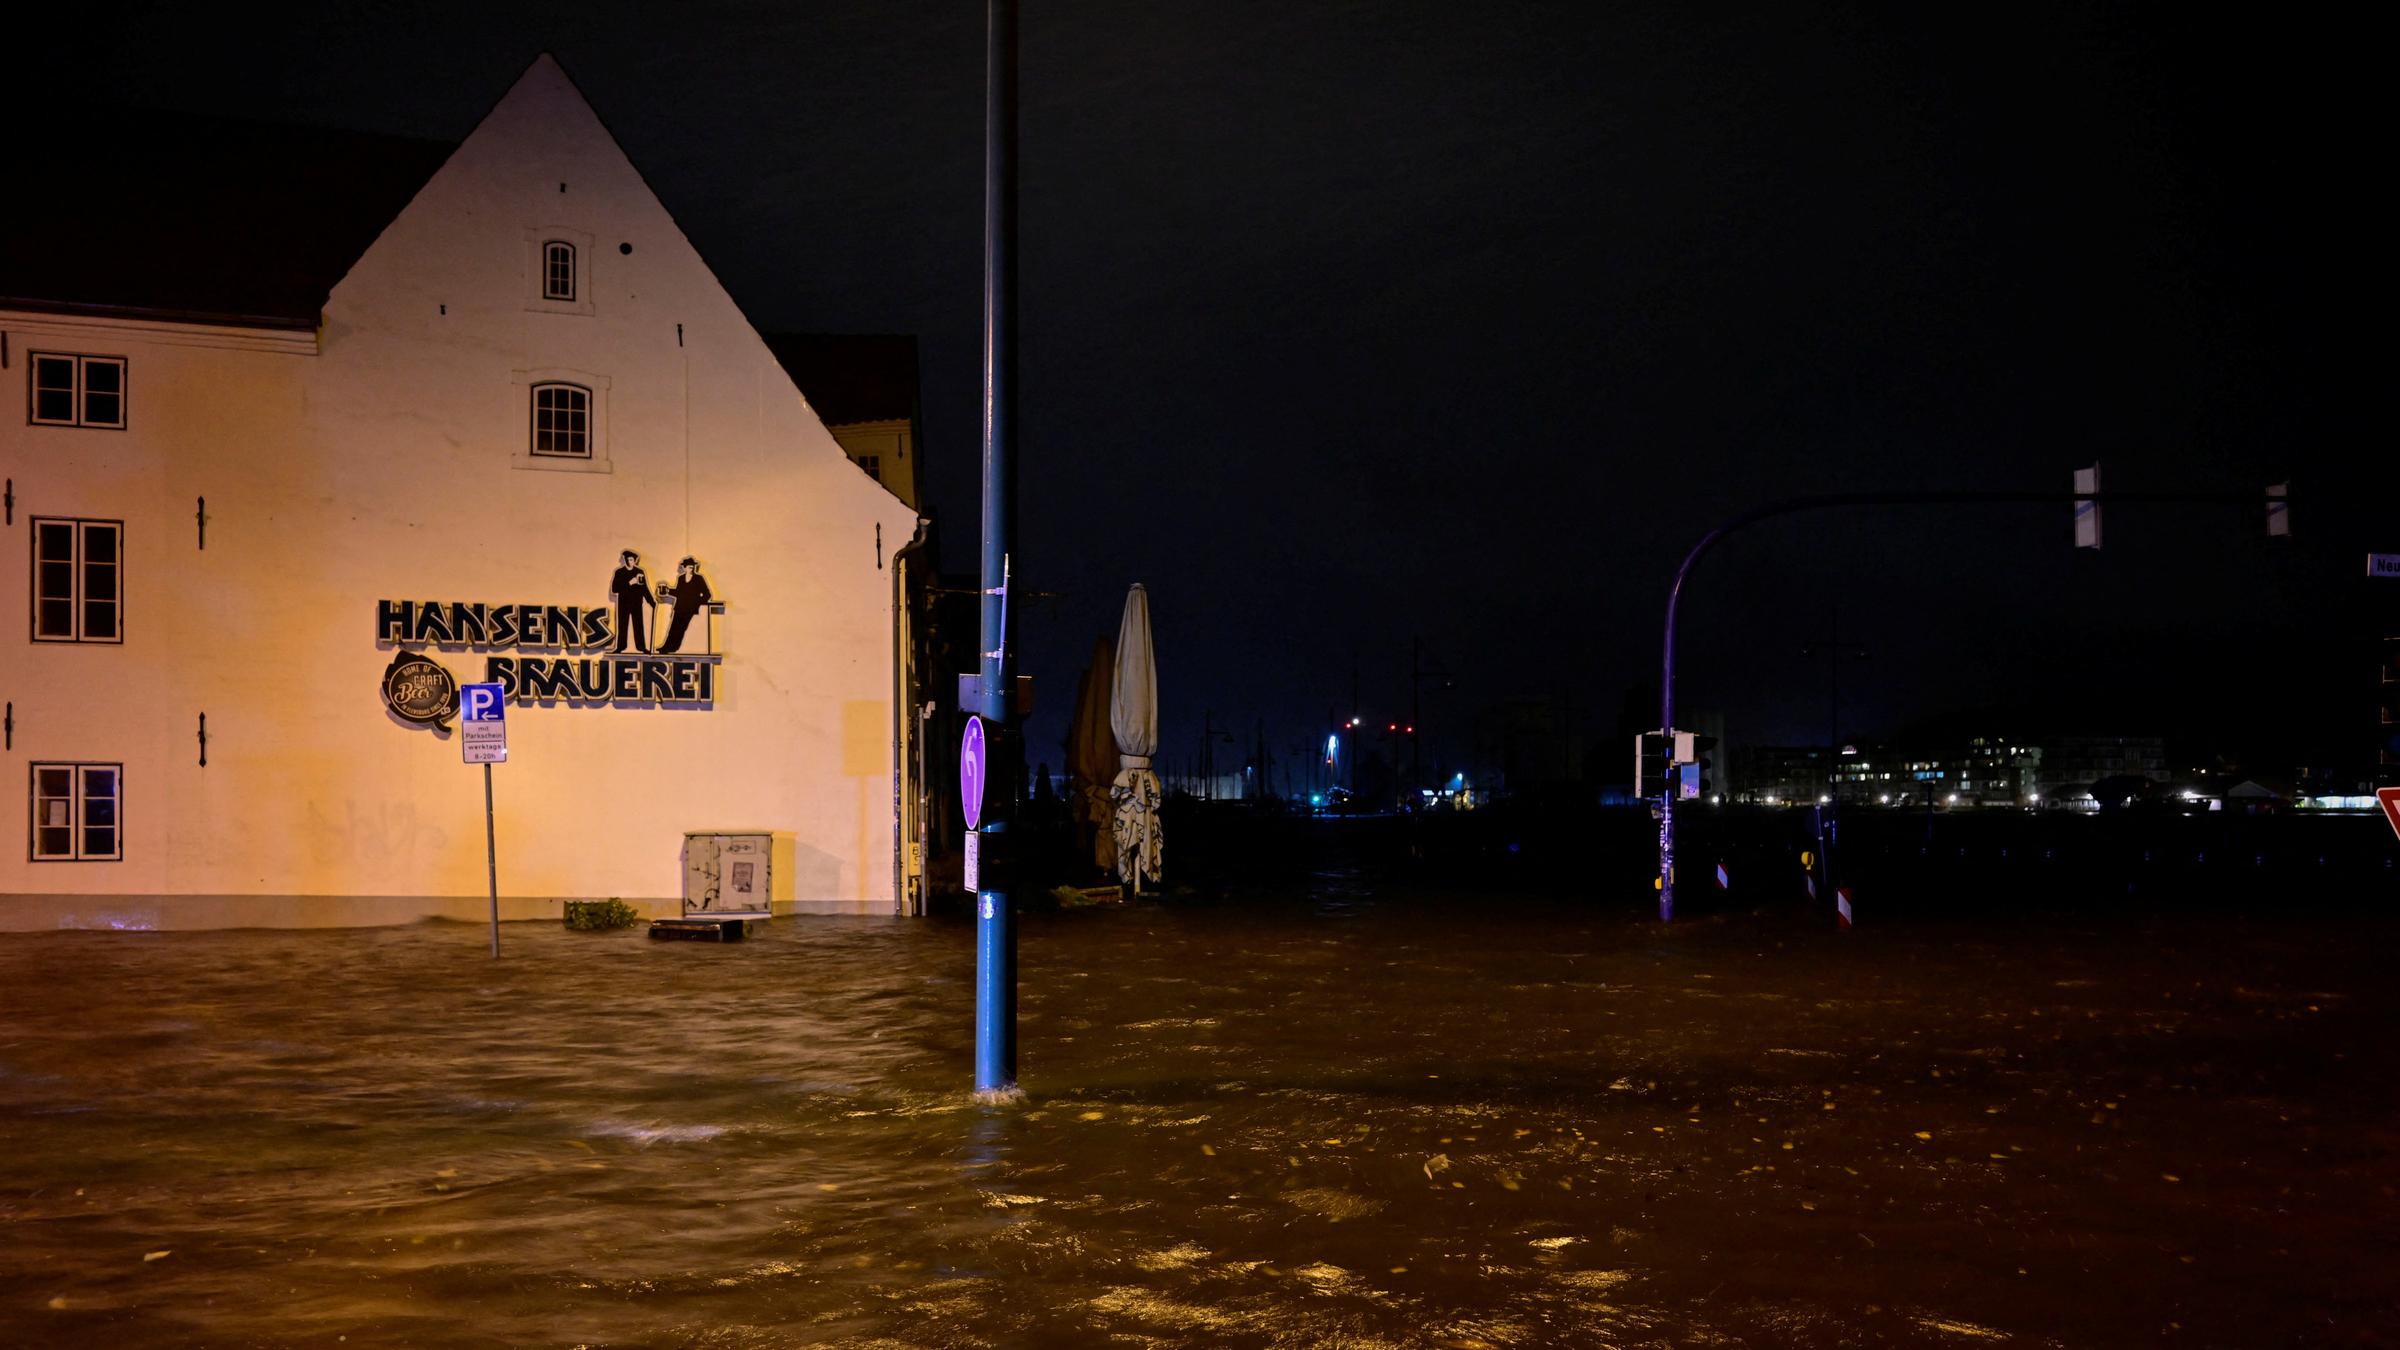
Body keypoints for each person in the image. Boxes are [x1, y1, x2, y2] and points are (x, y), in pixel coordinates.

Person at [657, 556, 713, 654]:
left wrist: (696, 602)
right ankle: (666, 647)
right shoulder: (681, 578)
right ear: (685, 567)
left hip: (689, 609)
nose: (691, 569)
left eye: (693, 567)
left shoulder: (698, 578)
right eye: (689, 567)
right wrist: (668, 590)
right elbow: (679, 592)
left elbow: (707, 594)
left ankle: (673, 648)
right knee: (673, 628)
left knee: (681, 629)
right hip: (679, 607)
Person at [609, 549, 654, 652]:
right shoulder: (619, 572)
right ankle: (620, 646)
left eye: (633, 559)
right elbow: (615, 589)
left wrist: (652, 602)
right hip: (623, 604)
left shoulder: (639, 572)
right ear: (625, 560)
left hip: (636, 603)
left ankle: (641, 647)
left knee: (638, 625)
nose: (631, 561)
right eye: (629, 559)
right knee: (622, 625)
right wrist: (630, 583)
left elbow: (645, 588)